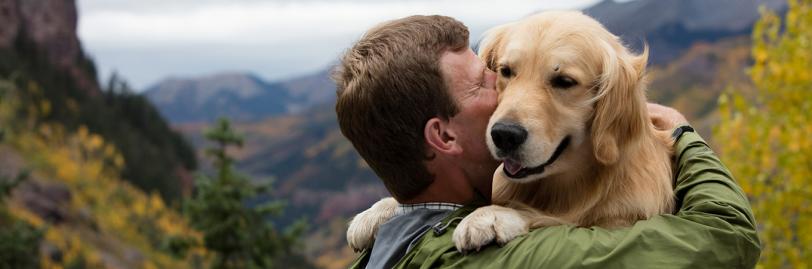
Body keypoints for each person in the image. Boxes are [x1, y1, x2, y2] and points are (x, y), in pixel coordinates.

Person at [333, 15, 760, 268]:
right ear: (441, 136)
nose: (509, 109)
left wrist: (402, 209)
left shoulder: (396, 242)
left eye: (562, 81)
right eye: (502, 75)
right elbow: (728, 237)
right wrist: (685, 134)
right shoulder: (501, 256)